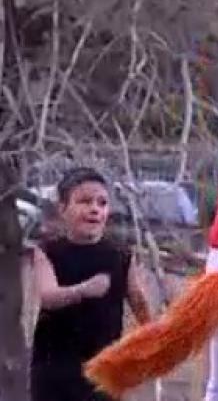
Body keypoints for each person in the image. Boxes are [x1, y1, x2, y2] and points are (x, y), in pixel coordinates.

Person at [30, 167, 152, 401]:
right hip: (55, 367)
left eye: (102, 203)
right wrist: (83, 290)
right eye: (84, 202)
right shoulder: (48, 251)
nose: (95, 209)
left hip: (104, 366)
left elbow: (138, 298)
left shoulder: (120, 255)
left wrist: (153, 338)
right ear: (62, 208)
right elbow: (48, 296)